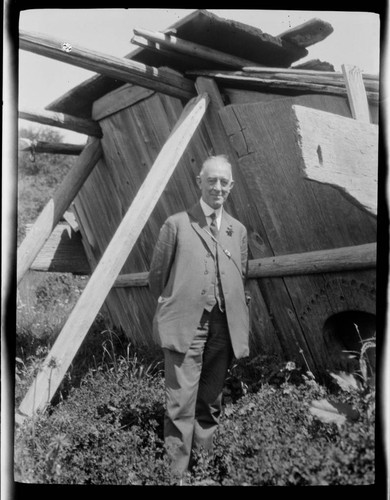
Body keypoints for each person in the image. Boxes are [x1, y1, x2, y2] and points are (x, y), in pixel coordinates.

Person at [148, 154, 250, 481]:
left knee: (210, 401)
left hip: (223, 327)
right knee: (179, 405)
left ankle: (202, 471)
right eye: (211, 180)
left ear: (231, 186)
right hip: (185, 327)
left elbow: (240, 275)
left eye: (224, 181)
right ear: (199, 182)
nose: (217, 187)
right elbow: (157, 277)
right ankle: (174, 476)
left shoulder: (238, 230)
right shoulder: (177, 224)